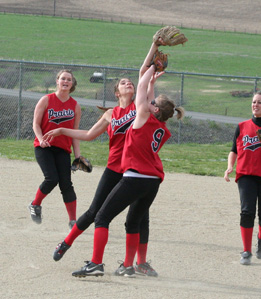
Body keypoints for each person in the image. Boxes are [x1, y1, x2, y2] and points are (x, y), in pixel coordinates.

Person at [43, 41, 165, 276]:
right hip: (115, 169)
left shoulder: (141, 108)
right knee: (94, 212)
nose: (128, 83)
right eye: (122, 83)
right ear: (116, 92)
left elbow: (143, 73)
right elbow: (88, 134)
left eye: (130, 82)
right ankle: (66, 242)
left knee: (140, 218)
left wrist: (152, 47)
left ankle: (140, 262)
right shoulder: (112, 114)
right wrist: (61, 131)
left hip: (136, 171)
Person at [70, 64, 184, 278]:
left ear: (155, 110)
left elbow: (141, 89)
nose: (149, 102)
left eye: (153, 103)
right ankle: (129, 266)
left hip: (135, 177)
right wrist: (152, 83)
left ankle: (95, 263)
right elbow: (147, 95)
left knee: (102, 217)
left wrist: (150, 69)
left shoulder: (141, 115)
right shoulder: (161, 126)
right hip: (153, 182)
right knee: (134, 222)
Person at [224, 90, 261, 265]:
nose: (255, 105)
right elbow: (234, 150)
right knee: (247, 212)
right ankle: (247, 251)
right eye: (254, 102)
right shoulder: (242, 126)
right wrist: (229, 167)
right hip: (246, 175)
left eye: (259, 102)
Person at [29, 70, 81, 230]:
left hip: (63, 150)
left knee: (66, 184)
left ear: (72, 84)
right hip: (44, 147)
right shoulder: (46, 100)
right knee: (52, 179)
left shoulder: (75, 106)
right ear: (57, 81)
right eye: (63, 78)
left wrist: (77, 156)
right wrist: (41, 138)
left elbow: (75, 133)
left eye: (69, 79)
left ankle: (73, 221)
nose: (66, 81)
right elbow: (36, 124)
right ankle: (35, 205)